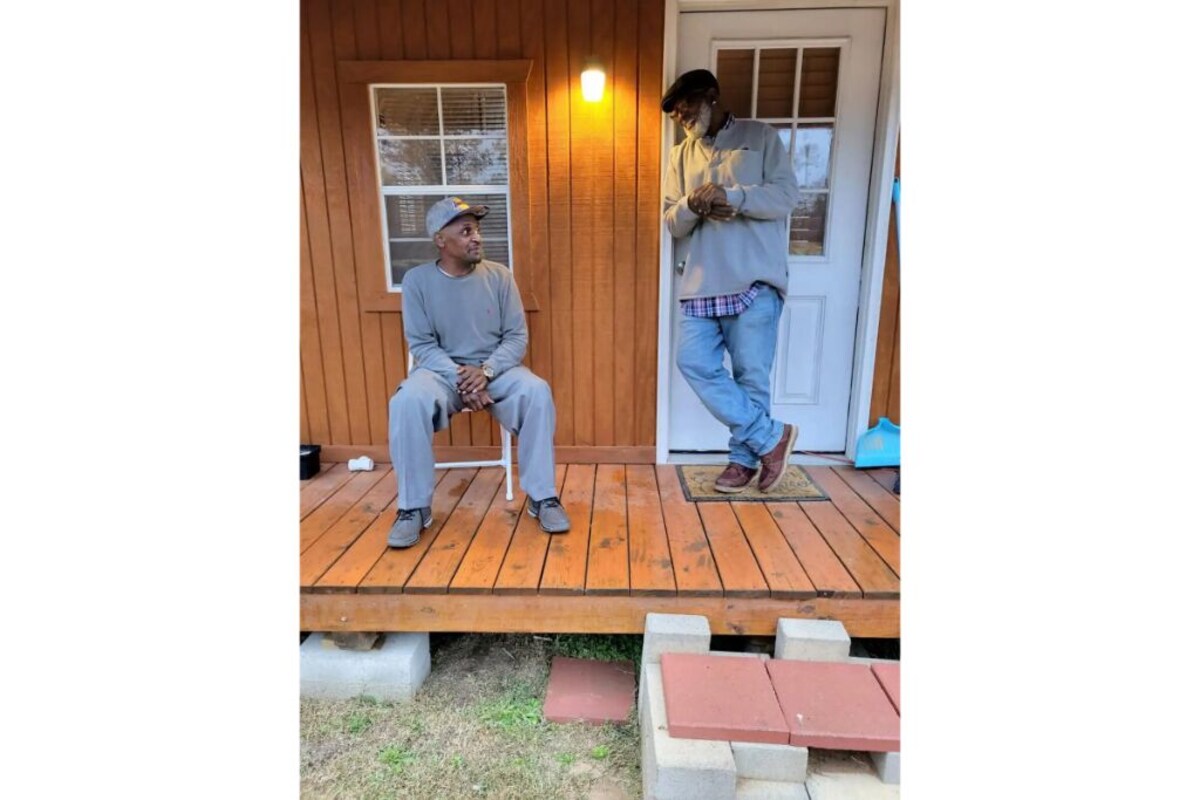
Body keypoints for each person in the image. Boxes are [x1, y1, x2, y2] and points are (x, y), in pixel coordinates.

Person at [386, 197, 570, 548]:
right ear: (441, 240)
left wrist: (485, 372)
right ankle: (413, 507)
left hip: (495, 372)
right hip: (441, 374)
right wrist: (462, 377)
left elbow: (516, 337)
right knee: (406, 401)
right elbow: (422, 344)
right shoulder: (417, 281)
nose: (477, 238)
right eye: (466, 231)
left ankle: (542, 496)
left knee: (536, 391)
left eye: (477, 230)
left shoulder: (499, 277)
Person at [661, 68, 802, 494]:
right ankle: (770, 438)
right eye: (675, 112)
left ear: (711, 95)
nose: (681, 116)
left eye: (685, 105)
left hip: (754, 278)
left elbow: (786, 196)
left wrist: (734, 196)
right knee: (693, 362)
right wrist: (692, 203)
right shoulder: (680, 156)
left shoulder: (760, 137)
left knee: (751, 376)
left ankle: (743, 462)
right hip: (701, 280)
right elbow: (672, 221)